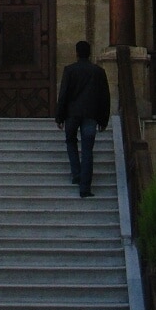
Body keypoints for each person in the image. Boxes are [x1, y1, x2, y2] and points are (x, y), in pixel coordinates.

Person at [55, 39, 111, 198]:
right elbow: (104, 97)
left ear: (77, 53)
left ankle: (76, 173)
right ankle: (85, 187)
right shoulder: (98, 72)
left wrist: (59, 117)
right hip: (91, 115)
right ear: (90, 53)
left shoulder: (70, 70)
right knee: (87, 150)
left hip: (72, 114)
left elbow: (63, 94)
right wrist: (103, 120)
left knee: (71, 141)